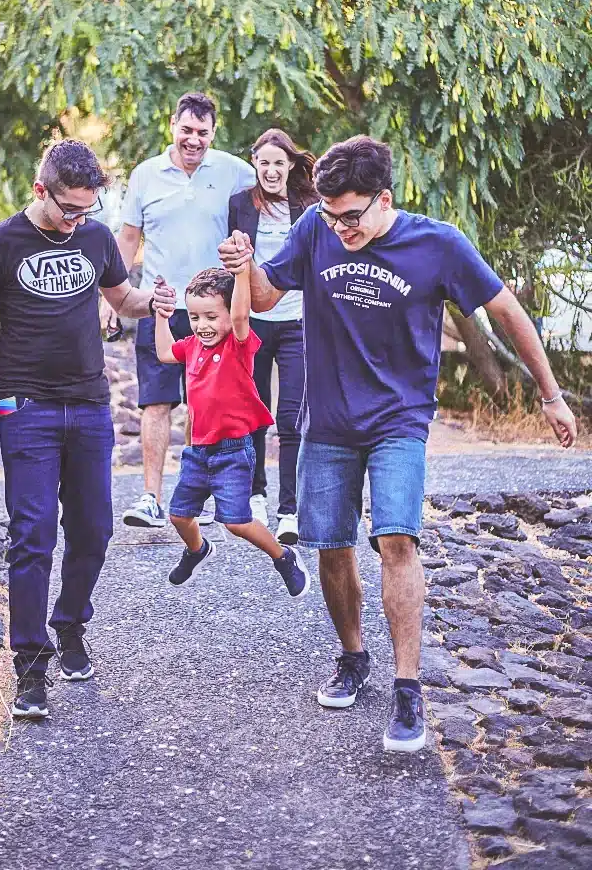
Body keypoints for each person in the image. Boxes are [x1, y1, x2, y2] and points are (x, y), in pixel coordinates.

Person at [219, 135, 577, 754]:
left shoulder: (437, 244)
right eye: (331, 215)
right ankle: (353, 656)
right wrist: (243, 264)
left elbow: (506, 310)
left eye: (351, 217)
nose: (340, 228)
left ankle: (408, 688)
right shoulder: (315, 227)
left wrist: (549, 394)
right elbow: (268, 294)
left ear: (384, 199)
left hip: (399, 421)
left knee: (396, 540)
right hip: (327, 422)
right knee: (331, 545)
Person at [0, 139, 175, 720]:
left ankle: (70, 623)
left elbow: (121, 298)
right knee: (32, 534)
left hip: (90, 405)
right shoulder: (3, 243)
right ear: (40, 190)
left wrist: (154, 300)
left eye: (87, 208)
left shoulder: (96, 238)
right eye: (68, 208)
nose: (77, 219)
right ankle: (30, 666)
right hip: (25, 407)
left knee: (94, 529)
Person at [111, 92, 255, 529]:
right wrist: (110, 299)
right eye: (187, 130)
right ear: (172, 125)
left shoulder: (234, 171)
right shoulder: (146, 175)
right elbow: (128, 240)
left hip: (213, 311)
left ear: (214, 133)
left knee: (203, 404)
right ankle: (151, 499)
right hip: (161, 304)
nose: (194, 139)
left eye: (202, 133)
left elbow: (270, 197)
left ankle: (198, 496)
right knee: (155, 402)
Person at [154, 261, 310, 599]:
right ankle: (197, 550)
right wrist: (162, 316)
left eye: (211, 316)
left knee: (236, 522)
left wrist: (241, 271)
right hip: (198, 451)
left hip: (233, 452)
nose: (203, 325)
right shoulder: (191, 346)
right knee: (179, 515)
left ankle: (284, 557)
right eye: (195, 317)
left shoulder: (238, 346)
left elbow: (240, 316)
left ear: (229, 313)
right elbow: (165, 352)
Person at [228, 128, 319, 542]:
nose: (270, 170)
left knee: (290, 416)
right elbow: (234, 263)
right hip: (254, 320)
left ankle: (289, 510)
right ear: (255, 163)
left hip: (298, 319)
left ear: (290, 165)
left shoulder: (309, 206)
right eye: (264, 162)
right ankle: (256, 493)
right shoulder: (240, 205)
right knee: (255, 410)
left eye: (278, 163)